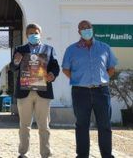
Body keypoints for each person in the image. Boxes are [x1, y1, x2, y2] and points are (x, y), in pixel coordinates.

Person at [62, 20, 117, 158]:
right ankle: (82, 155)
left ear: (92, 29)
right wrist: (79, 80)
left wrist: (101, 80)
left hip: (101, 91)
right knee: (81, 126)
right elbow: (66, 69)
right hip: (80, 92)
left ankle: (107, 155)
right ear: (79, 31)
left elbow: (111, 68)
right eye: (83, 28)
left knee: (104, 125)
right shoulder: (71, 49)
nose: (86, 29)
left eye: (88, 27)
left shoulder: (104, 47)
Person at [10, 23, 60, 158]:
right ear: (27, 35)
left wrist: (52, 75)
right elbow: (13, 68)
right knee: (24, 125)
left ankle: (46, 153)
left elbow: (55, 67)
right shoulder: (19, 49)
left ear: (40, 33)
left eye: (36, 32)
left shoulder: (49, 49)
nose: (34, 35)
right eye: (31, 33)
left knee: (44, 125)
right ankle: (22, 152)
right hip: (24, 92)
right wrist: (16, 62)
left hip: (43, 92)